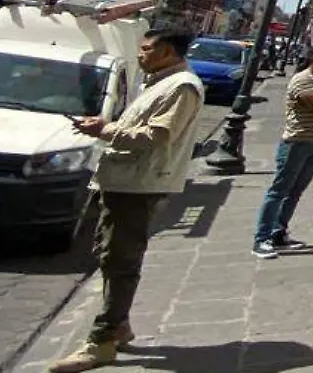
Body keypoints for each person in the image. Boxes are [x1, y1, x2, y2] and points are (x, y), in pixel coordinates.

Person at [49, 28, 206, 373]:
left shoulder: (181, 87)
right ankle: (119, 325)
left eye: (147, 49)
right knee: (109, 253)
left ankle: (102, 342)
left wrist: (105, 130)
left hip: (140, 184)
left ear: (166, 51)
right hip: (124, 180)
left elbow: (158, 135)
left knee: (121, 260)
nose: (140, 54)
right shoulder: (159, 82)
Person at [251, 43, 313, 258]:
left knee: (295, 191)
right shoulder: (301, 79)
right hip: (296, 142)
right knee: (279, 190)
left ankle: (278, 233)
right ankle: (261, 239)